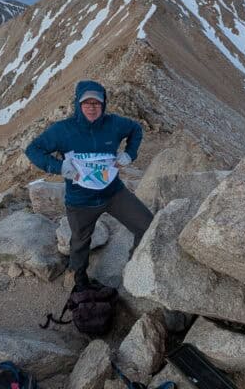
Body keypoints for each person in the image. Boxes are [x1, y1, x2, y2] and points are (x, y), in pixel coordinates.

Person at [25, 80, 154, 291]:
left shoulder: (114, 124)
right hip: (81, 200)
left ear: (104, 104)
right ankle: (80, 281)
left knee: (146, 225)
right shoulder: (63, 130)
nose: (92, 107)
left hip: (114, 193)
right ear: (78, 104)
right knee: (79, 243)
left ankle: (134, 267)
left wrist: (129, 154)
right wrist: (58, 167)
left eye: (97, 102)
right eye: (87, 103)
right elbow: (33, 149)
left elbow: (136, 130)